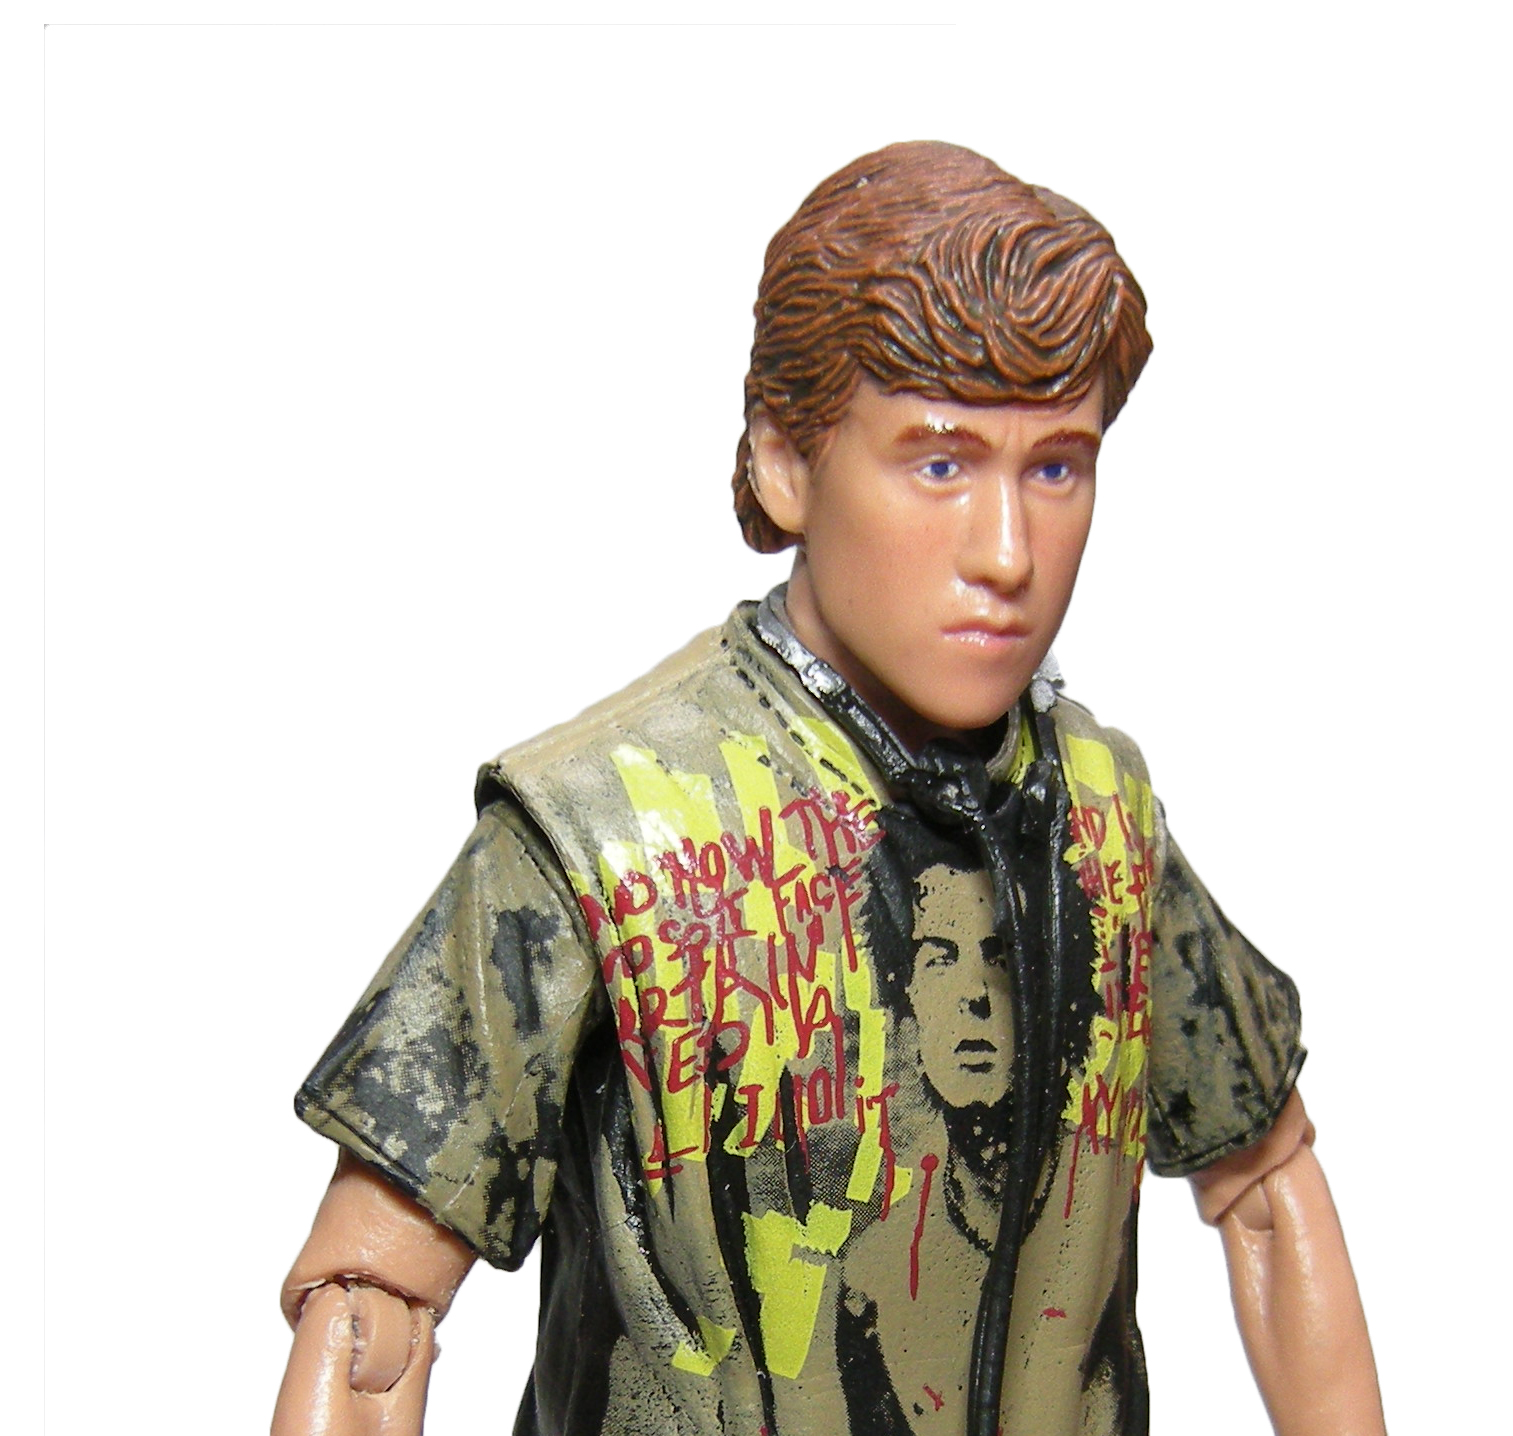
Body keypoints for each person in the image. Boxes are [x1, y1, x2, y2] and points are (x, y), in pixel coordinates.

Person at [273, 140, 1384, 1436]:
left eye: (1056, 466)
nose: (1008, 552)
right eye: (939, 464)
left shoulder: (1100, 822)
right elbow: (374, 1305)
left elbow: (1267, 1189)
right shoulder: (603, 835)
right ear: (788, 465)